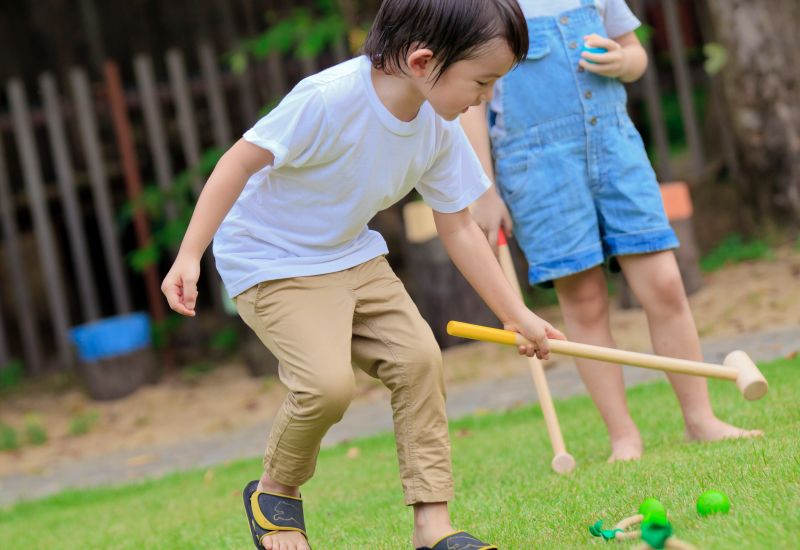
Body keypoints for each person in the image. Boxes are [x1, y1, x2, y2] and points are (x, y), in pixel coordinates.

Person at [161, 1, 565, 548]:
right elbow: (238, 161)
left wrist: (517, 316)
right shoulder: (328, 100)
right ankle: (275, 493)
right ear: (424, 62)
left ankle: (433, 526)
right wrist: (189, 255)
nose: (486, 98)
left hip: (351, 254)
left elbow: (460, 229)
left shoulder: (439, 128)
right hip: (270, 259)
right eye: (483, 81)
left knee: (419, 360)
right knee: (327, 387)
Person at [460, 0, 760, 464]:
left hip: (617, 150)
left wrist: (624, 62)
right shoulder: (488, 7)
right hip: (538, 169)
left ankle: (701, 420)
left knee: (664, 283)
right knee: (583, 301)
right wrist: (485, 189)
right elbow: (471, 105)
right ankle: (624, 438)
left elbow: (635, 54)